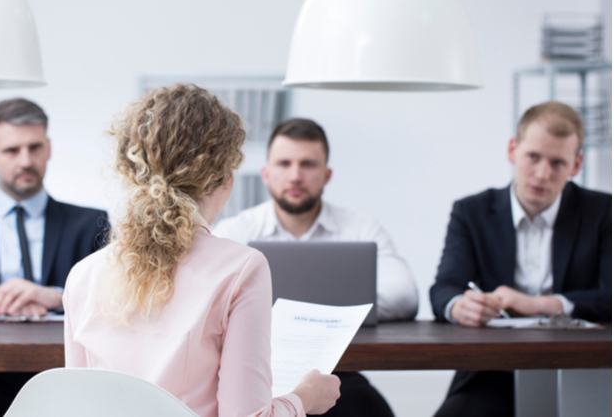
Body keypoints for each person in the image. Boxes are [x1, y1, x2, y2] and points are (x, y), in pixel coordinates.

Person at [64, 84, 341, 417]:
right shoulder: (242, 268)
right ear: (224, 178)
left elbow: (75, 407)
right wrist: (304, 398)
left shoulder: (83, 276)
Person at [213, 118, 418, 417]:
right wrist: (334, 310)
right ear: (266, 174)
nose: (295, 176)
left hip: (339, 377)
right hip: (256, 378)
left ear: (327, 174)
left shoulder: (361, 228)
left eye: (308, 164)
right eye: (284, 163)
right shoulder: (236, 231)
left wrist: (306, 317)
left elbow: (403, 294)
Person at [430, 101, 611, 417]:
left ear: (576, 165)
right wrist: (460, 305)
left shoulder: (603, 212)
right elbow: (444, 287)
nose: (542, 174)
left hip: (583, 369)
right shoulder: (471, 212)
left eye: (557, 163)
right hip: (491, 370)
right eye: (533, 157)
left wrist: (539, 305)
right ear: (512, 150)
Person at [0, 98, 109, 417]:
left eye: (34, 147)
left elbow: (111, 297)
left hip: (61, 372)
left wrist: (57, 296)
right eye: (12, 151)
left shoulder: (90, 223)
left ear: (49, 148)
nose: (25, 160)